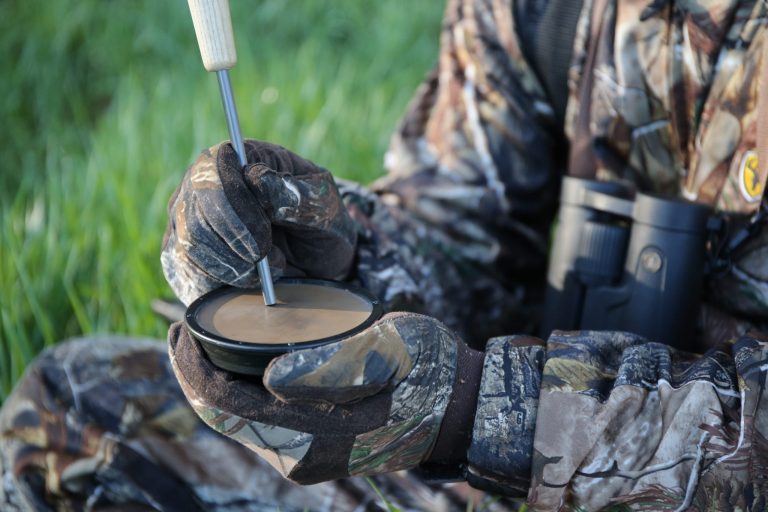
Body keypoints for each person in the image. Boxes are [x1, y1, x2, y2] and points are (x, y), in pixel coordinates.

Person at [2, 0, 767, 510]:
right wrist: (337, 261)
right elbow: (466, 224)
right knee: (76, 414)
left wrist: (475, 409)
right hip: (499, 475)